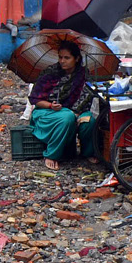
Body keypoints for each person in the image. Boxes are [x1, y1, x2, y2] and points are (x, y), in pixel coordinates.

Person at [28, 40, 97, 171]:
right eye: (60, 57)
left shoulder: (83, 74)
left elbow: (87, 96)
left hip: (77, 110)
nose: (62, 61)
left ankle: (87, 153)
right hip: (48, 111)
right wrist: (50, 105)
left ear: (76, 59)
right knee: (66, 118)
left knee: (89, 121)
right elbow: (35, 99)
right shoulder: (49, 73)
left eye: (67, 58)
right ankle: (52, 155)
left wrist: (76, 112)